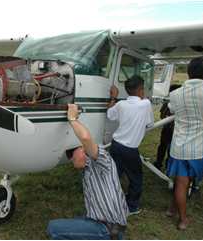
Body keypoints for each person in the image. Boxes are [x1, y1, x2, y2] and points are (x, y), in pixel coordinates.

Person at [47, 104, 129, 240]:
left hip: (109, 229)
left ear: (82, 149)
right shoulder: (87, 169)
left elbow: (85, 138)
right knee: (77, 220)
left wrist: (72, 119)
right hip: (104, 224)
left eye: (71, 154)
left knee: (53, 228)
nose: (71, 159)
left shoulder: (104, 161)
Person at [166, 56, 203, 230]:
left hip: (180, 146)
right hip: (202, 148)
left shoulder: (175, 94)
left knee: (181, 182)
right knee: (187, 181)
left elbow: (172, 109)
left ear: (188, 72)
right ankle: (183, 219)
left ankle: (173, 209)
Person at [107, 75, 154, 215]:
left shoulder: (120, 104)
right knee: (136, 178)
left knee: (114, 175)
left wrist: (113, 97)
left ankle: (109, 200)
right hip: (130, 149)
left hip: (115, 145)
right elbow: (150, 123)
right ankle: (131, 207)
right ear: (140, 90)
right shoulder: (146, 104)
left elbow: (110, 115)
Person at [153, 84, 182, 171]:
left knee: (168, 148)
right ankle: (160, 163)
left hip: (173, 130)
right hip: (169, 130)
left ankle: (165, 165)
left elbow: (162, 116)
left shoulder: (176, 103)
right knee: (164, 147)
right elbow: (162, 115)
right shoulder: (169, 103)